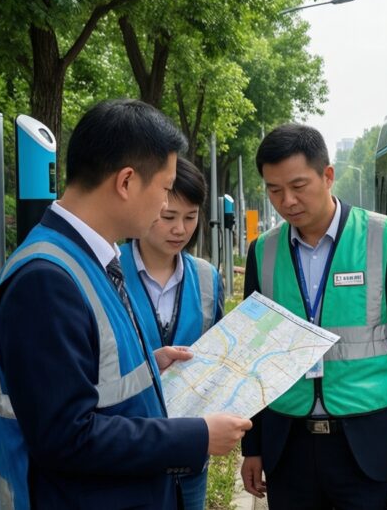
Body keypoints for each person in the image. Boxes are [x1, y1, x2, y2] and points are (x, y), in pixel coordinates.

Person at [0, 99, 252, 509]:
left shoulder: (90, 259)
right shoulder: (45, 280)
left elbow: (91, 376)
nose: (167, 206)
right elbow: (67, 437)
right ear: (126, 182)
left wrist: (149, 367)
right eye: (164, 188)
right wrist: (196, 436)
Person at [239, 123, 387, 510]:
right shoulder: (263, 252)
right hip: (288, 446)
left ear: (327, 176)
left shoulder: (385, 238)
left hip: (367, 444)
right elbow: (253, 355)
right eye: (274, 190)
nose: (287, 201)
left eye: (298, 185)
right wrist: (253, 446)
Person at [119, 156, 225, 510]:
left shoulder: (207, 278)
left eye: (190, 217)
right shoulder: (107, 270)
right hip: (127, 453)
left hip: (189, 454)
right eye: (168, 217)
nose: (180, 229)